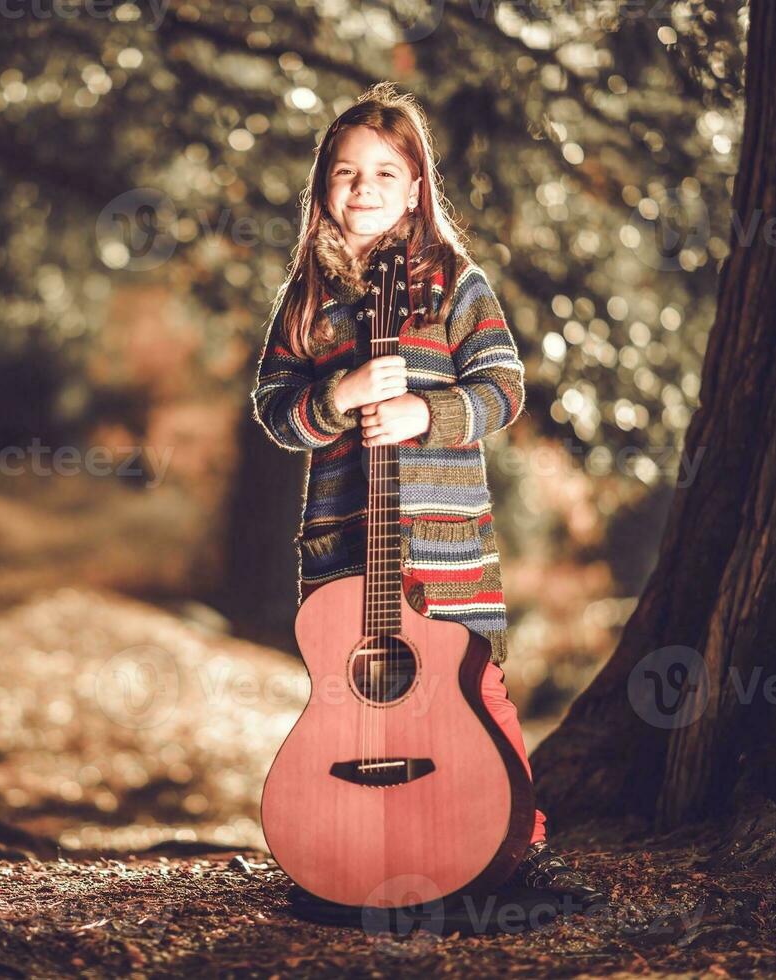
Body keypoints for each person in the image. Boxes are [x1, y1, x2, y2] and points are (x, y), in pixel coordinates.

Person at [249, 81, 606, 907]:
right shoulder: (307, 300)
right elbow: (276, 412)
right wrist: (336, 396)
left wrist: (424, 408)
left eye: (382, 172)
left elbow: (502, 389)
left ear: (415, 188)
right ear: (321, 189)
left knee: (472, 694)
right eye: (344, 172)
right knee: (350, 697)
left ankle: (515, 849)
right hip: (344, 556)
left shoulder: (454, 284)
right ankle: (343, 848)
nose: (362, 188)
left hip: (448, 552)